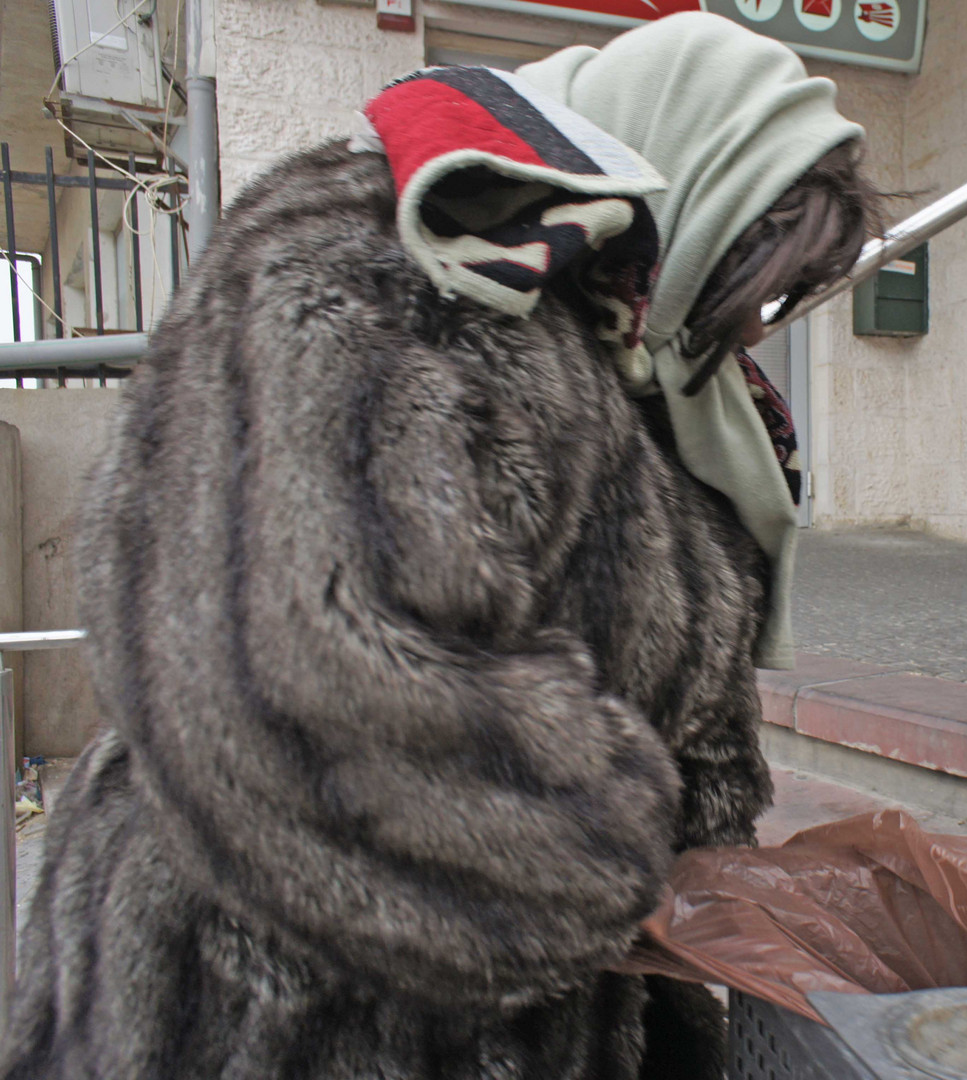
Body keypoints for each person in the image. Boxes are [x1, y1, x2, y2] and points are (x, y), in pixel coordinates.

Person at [0, 13, 878, 1079]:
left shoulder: (638, 349)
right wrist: (626, 867)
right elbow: (310, 693)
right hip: (268, 1012)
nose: (751, 330)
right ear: (677, 186)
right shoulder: (373, 267)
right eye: (751, 269)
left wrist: (707, 892)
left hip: (542, 1016)